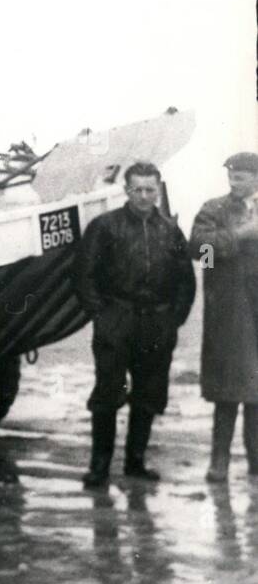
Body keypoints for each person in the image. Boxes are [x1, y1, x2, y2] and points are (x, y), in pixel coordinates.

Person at [74, 162, 196, 488]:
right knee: (108, 393)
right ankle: (99, 466)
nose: (144, 196)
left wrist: (173, 319)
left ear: (159, 190)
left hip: (157, 322)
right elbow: (84, 275)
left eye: (150, 190)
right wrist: (102, 314)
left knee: (148, 394)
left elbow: (187, 279)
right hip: (117, 318)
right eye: (137, 189)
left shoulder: (171, 231)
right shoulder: (104, 226)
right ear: (126, 190)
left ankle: (135, 462)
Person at [188, 151, 258, 481]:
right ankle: (219, 462)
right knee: (229, 390)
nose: (234, 179)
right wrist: (241, 235)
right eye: (231, 173)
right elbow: (200, 252)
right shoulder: (213, 209)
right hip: (231, 312)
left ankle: (257, 463)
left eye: (242, 175)